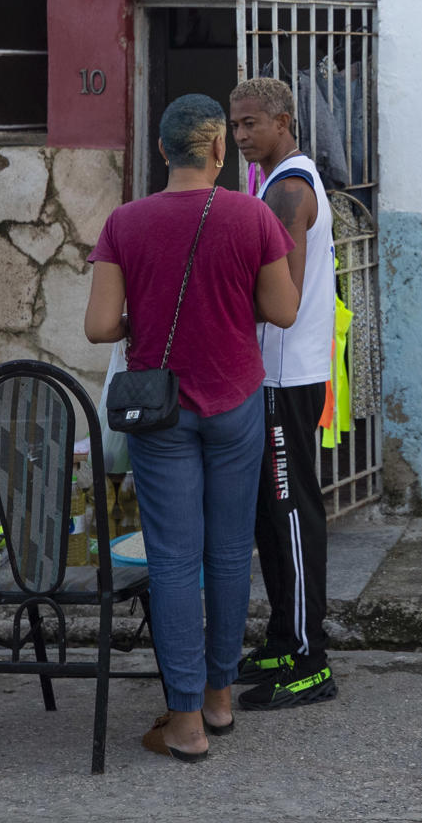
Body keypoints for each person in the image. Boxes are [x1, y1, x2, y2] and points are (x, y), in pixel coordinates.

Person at [84, 93, 299, 762]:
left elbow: (98, 327)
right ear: (217, 150)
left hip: (161, 410)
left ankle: (184, 722)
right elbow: (284, 312)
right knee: (231, 552)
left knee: (174, 561)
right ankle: (220, 698)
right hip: (235, 400)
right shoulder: (253, 215)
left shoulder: (125, 221)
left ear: (162, 150)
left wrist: (139, 319)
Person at [228, 77, 338, 711]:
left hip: (283, 376)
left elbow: (282, 300)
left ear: (283, 122)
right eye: (235, 125)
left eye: (252, 124)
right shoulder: (270, 183)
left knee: (293, 511)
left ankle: (309, 659)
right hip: (276, 374)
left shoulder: (289, 188)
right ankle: (282, 636)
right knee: (273, 512)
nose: (242, 135)